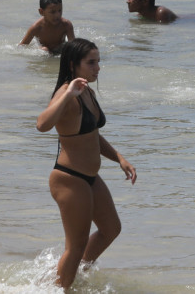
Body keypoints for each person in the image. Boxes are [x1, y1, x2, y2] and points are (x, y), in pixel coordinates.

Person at [36, 39, 136, 289]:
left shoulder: (87, 91)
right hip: (69, 178)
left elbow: (92, 135)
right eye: (91, 62)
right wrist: (68, 92)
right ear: (73, 65)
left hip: (90, 178)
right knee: (76, 244)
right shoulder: (67, 94)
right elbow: (42, 125)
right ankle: (61, 287)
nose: (97, 67)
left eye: (98, 61)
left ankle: (70, 275)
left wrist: (119, 158)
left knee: (111, 228)